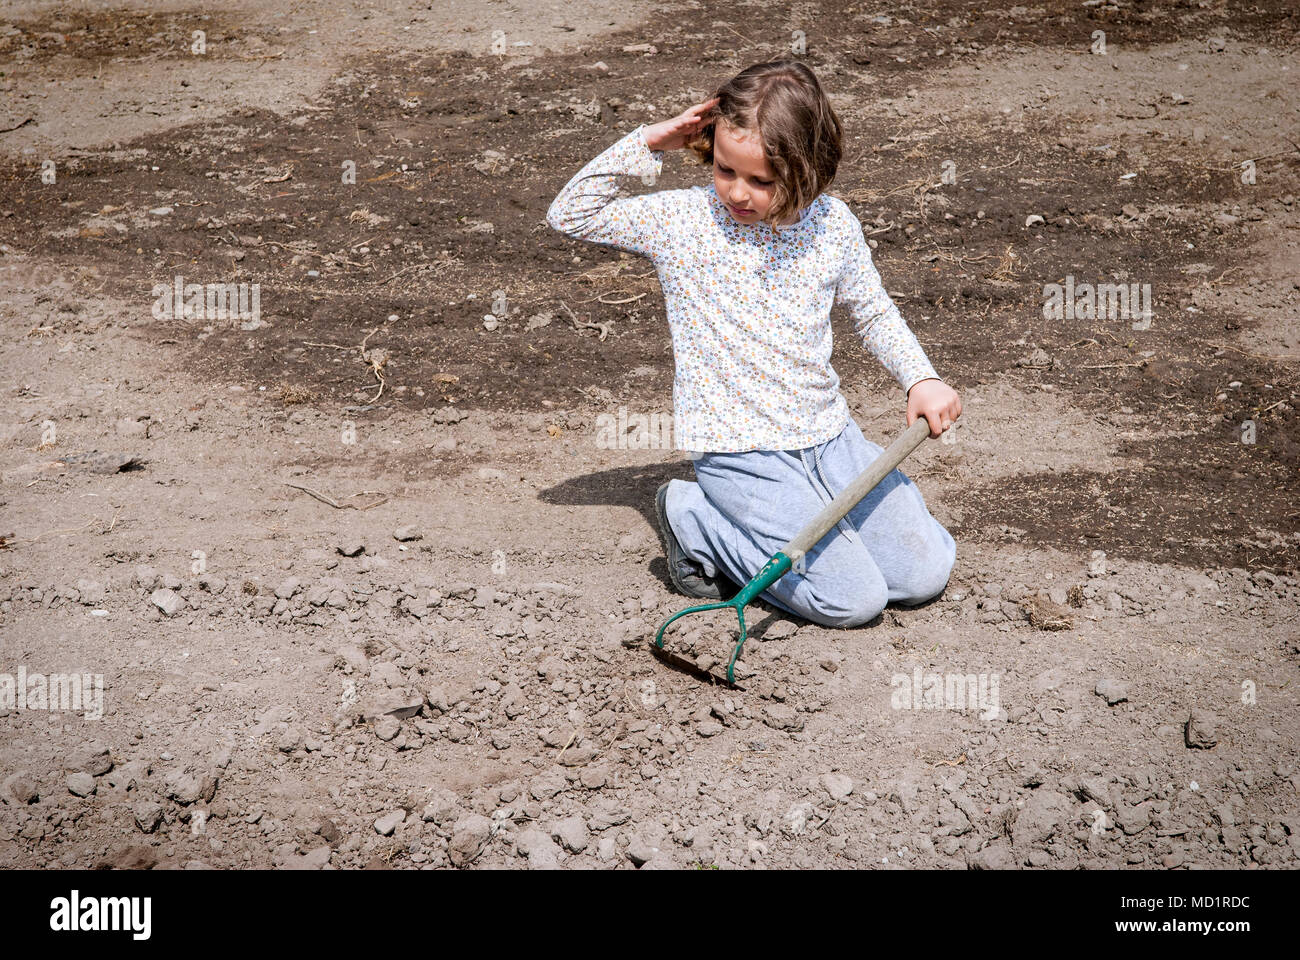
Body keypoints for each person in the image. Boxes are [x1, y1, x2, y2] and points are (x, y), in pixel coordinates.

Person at [546, 60, 961, 628]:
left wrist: (921, 376)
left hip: (830, 439)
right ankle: (692, 515)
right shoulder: (683, 220)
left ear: (810, 170)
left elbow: (873, 309)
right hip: (740, 452)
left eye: (762, 181)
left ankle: (826, 529)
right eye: (724, 169)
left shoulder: (833, 225)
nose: (738, 193)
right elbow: (569, 214)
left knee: (922, 575)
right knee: (851, 600)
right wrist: (651, 141)